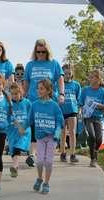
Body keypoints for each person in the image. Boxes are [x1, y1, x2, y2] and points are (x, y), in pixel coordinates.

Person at [23, 39, 65, 167]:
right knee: (33, 127)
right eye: (38, 51)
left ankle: (47, 151)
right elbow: (26, 83)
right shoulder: (30, 65)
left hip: (49, 101)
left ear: (47, 51)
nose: (40, 54)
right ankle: (31, 155)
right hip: (33, 100)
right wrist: (22, 98)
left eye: (43, 51)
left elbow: (60, 80)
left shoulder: (54, 64)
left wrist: (62, 94)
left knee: (47, 127)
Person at [30, 79, 63, 194]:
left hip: (51, 137)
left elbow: (60, 121)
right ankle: (39, 178)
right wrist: (21, 127)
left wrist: (57, 133)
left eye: (41, 88)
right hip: (39, 137)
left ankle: (46, 183)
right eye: (38, 88)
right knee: (39, 161)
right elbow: (29, 120)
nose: (39, 91)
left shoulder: (54, 106)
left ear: (48, 90)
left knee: (48, 162)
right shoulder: (34, 105)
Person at [79, 69, 104, 167]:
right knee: (92, 136)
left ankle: (95, 151)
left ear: (98, 79)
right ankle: (93, 159)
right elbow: (81, 103)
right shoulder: (85, 90)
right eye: (89, 77)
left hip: (98, 118)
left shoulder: (103, 91)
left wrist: (95, 104)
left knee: (99, 140)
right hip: (88, 117)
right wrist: (80, 112)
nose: (90, 79)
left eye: (92, 77)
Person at [7, 82, 31, 178]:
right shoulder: (9, 104)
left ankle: (15, 166)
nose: (14, 96)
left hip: (24, 130)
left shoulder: (27, 103)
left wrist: (24, 127)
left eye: (16, 93)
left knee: (17, 147)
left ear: (21, 92)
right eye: (12, 94)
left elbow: (31, 117)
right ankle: (15, 168)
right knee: (13, 150)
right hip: (12, 130)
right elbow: (8, 117)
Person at [60, 64, 81, 163]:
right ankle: (63, 153)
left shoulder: (76, 85)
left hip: (72, 111)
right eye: (65, 74)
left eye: (69, 73)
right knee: (63, 133)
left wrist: (79, 110)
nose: (67, 75)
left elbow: (78, 99)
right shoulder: (59, 84)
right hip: (61, 111)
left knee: (72, 132)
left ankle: (73, 154)